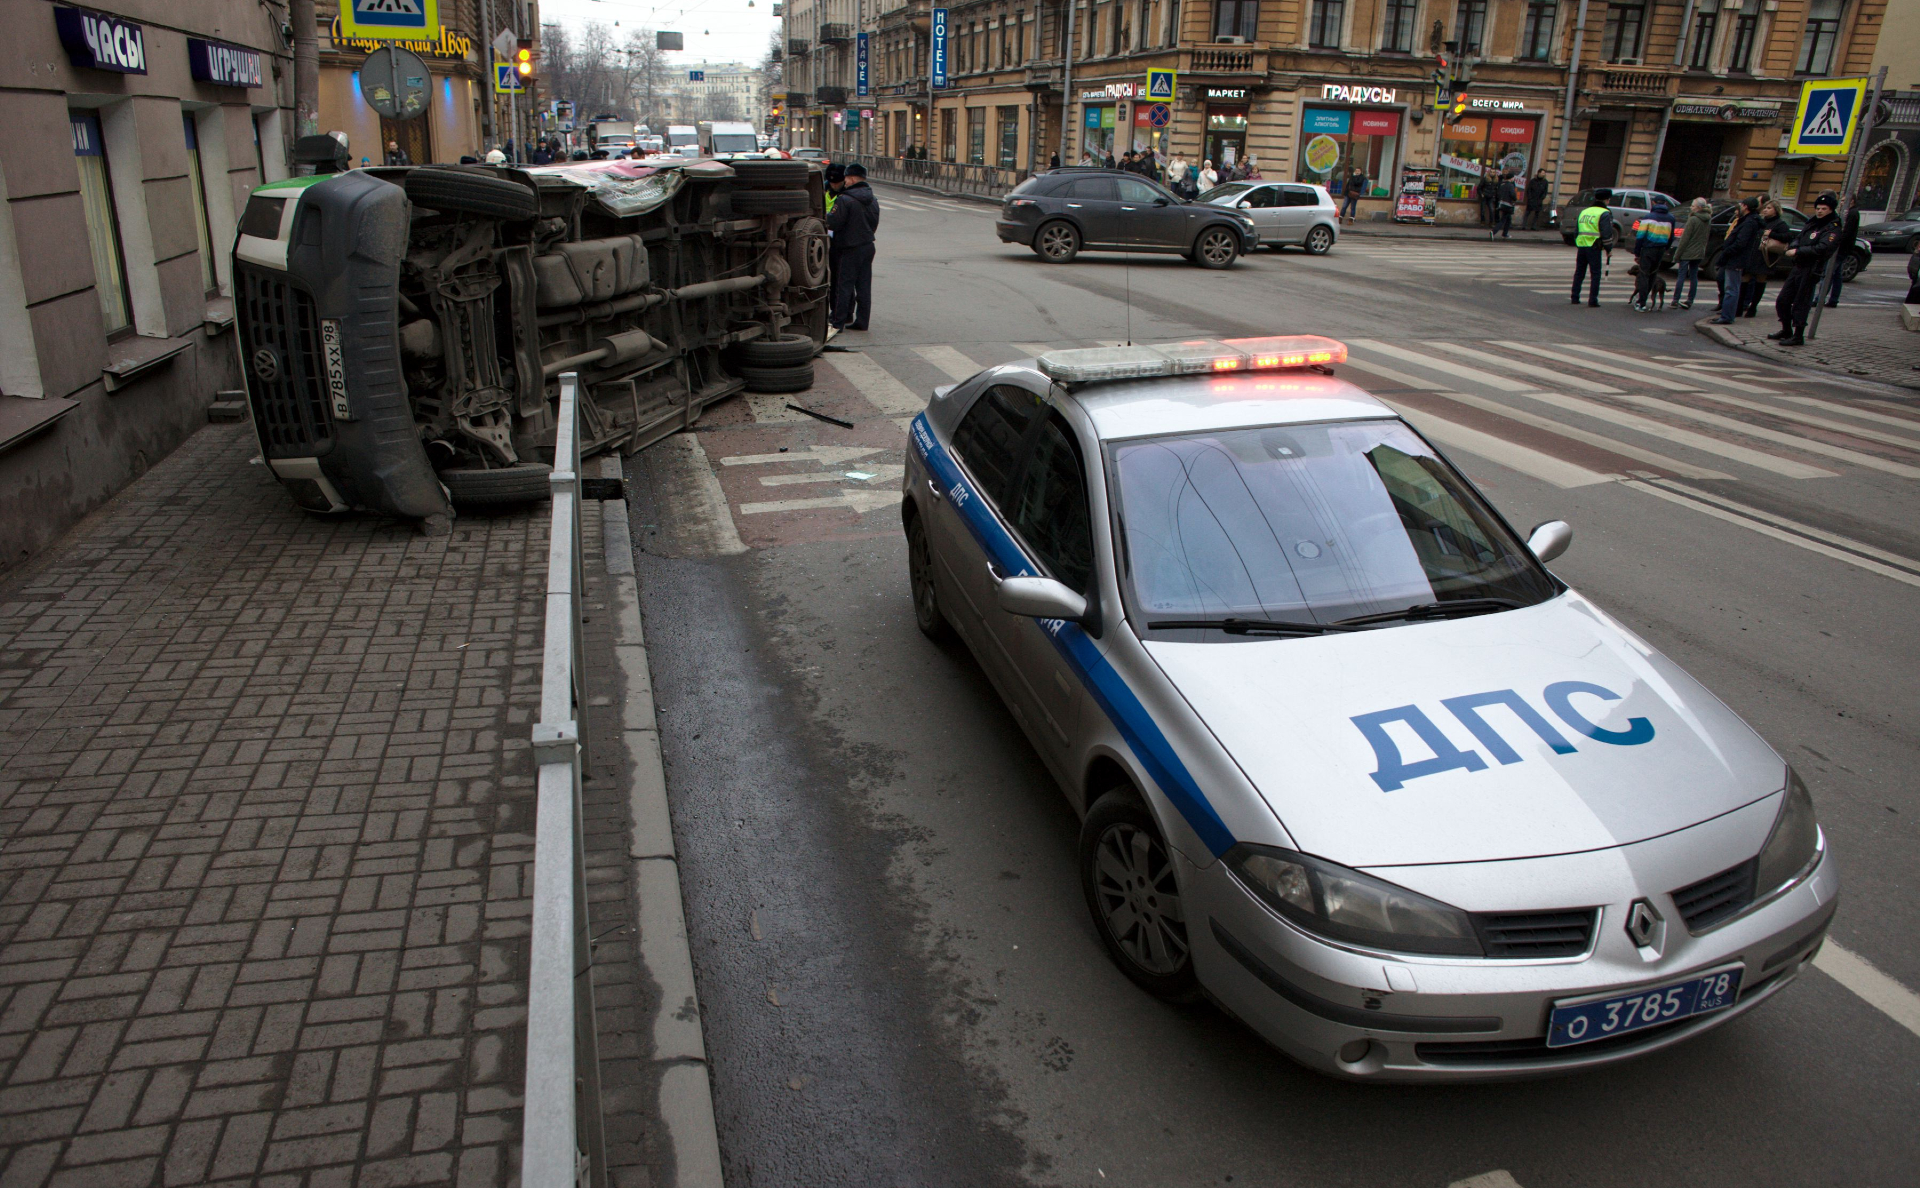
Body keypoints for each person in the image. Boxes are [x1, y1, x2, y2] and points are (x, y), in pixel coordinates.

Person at [1769, 190, 1842, 346]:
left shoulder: (1832, 227)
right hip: (1799, 266)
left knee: (1802, 302)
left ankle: (1798, 335)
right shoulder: (1812, 222)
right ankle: (1786, 329)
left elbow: (1823, 248)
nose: (1820, 211)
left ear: (1830, 210)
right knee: (1783, 300)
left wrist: (1799, 251)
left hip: (1812, 268)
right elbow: (1799, 238)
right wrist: (1793, 247)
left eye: (1824, 209)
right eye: (1818, 208)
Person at [828, 163, 877, 332]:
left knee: (844, 285)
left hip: (848, 248)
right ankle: (862, 321)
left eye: (847, 178)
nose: (845, 181)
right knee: (864, 286)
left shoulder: (845, 199)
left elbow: (833, 222)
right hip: (868, 246)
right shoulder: (873, 199)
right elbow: (874, 223)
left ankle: (837, 322)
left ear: (853, 178)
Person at [1710, 197, 1762, 324]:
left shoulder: (1749, 222)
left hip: (1736, 259)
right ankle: (1727, 314)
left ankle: (1727, 316)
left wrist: (1728, 251)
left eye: (1741, 205)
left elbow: (1741, 242)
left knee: (1731, 289)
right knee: (1732, 287)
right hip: (1736, 258)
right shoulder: (1749, 221)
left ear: (1745, 206)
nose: (1739, 207)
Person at [1570, 188, 1615, 308]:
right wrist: (1609, 249)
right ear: (1607, 200)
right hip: (1594, 246)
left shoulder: (1585, 211)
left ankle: (1575, 297)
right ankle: (1593, 300)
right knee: (1595, 274)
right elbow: (1606, 233)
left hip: (1582, 245)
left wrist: (1578, 242)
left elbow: (1576, 230)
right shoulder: (1604, 213)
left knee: (1579, 272)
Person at [1746, 199, 1792, 316]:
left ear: (1776, 211)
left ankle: (1753, 307)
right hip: (1753, 254)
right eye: (1765, 208)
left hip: (1765, 257)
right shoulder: (1760, 221)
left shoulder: (1779, 224)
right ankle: (1741, 305)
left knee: (1760, 280)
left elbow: (1787, 237)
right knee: (1745, 278)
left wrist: (1771, 234)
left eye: (1769, 208)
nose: (1766, 210)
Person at [1628, 197, 1675, 311]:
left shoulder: (1648, 217)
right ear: (1664, 203)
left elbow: (1640, 236)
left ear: (1653, 203)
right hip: (1661, 250)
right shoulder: (1671, 218)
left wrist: (1637, 252)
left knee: (1644, 275)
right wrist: (1666, 248)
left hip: (1648, 249)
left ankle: (1641, 303)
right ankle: (1644, 301)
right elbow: (1671, 236)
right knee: (1652, 275)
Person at [1672, 197, 1711, 310]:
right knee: (1694, 276)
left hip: (1687, 252)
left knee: (1681, 276)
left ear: (1699, 207)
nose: (1691, 207)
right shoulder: (1708, 219)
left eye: (1693, 206)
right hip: (1699, 252)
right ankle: (1690, 300)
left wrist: (1677, 255)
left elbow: (1685, 239)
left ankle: (1675, 300)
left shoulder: (1693, 219)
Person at [1492, 172, 1518, 239]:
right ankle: (1493, 231)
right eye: (1513, 178)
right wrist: (1515, 199)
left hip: (1502, 204)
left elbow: (1498, 193)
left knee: (1508, 220)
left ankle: (1505, 234)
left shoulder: (1502, 184)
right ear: (1511, 178)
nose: (1513, 179)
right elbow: (1513, 195)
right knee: (1503, 220)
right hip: (1508, 205)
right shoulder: (1510, 185)